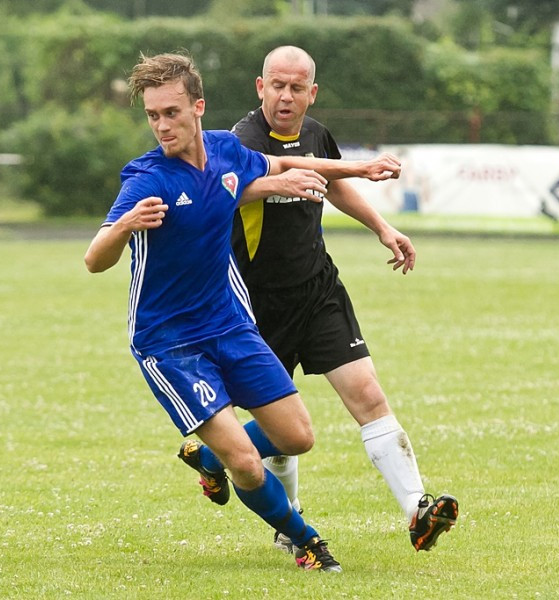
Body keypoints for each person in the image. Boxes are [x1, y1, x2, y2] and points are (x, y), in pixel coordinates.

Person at [85, 52, 402, 573]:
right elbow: (94, 260)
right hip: (171, 345)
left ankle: (207, 455)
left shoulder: (228, 151)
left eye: (171, 112)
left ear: (198, 107)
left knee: (297, 437)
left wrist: (359, 168)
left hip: (230, 325)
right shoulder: (146, 180)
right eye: (153, 115)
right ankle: (306, 539)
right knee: (247, 463)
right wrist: (122, 227)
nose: (162, 125)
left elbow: (281, 164)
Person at [229, 45, 458, 553]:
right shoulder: (239, 141)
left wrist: (382, 226)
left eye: (297, 88)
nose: (286, 97)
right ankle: (287, 527)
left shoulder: (315, 134)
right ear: (259, 86)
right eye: (277, 85)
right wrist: (271, 182)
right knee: (280, 427)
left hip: (318, 290)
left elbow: (331, 182)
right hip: (257, 302)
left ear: (312, 93)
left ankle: (418, 509)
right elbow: (222, 192)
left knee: (369, 395)